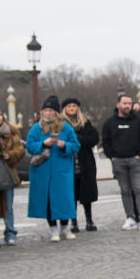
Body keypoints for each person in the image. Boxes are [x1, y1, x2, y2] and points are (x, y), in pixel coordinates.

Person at [26, 95, 80, 242]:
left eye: (51, 110)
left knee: (64, 199)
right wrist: (44, 143)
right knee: (48, 200)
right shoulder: (36, 128)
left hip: (61, 171)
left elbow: (76, 145)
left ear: (56, 112)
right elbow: (29, 146)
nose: (48, 113)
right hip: (42, 171)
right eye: (46, 110)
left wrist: (65, 146)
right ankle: (53, 229)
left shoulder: (65, 127)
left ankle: (65, 228)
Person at [102, 94, 140, 230]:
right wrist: (111, 156)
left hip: (136, 160)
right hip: (118, 161)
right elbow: (105, 141)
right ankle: (130, 217)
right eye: (124, 103)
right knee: (125, 190)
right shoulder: (110, 123)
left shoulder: (139, 120)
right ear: (118, 104)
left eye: (129, 103)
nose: (127, 106)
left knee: (139, 189)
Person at [61, 98, 99, 232]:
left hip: (85, 163)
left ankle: (89, 220)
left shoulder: (85, 123)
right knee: (72, 195)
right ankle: (74, 222)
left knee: (86, 195)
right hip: (68, 164)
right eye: (69, 106)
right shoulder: (61, 124)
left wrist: (77, 140)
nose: (72, 108)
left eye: (74, 106)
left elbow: (94, 139)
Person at [0, 107, 24, 246]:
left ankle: (10, 232)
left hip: (8, 171)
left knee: (8, 205)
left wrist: (11, 155)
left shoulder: (12, 130)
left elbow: (20, 149)